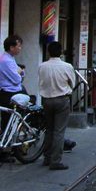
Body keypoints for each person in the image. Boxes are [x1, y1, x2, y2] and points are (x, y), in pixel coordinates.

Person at [38, 41, 76, 170]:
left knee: (49, 130)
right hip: (62, 99)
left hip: (47, 100)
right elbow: (73, 83)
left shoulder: (42, 66)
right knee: (59, 131)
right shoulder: (67, 66)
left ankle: (47, 157)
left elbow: (41, 82)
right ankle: (56, 160)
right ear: (61, 52)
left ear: (48, 52)